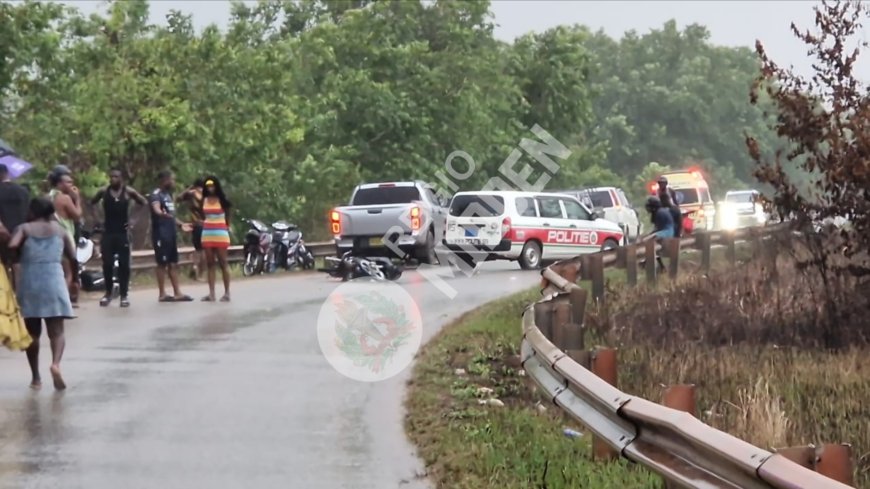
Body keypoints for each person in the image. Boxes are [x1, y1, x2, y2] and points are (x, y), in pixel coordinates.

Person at [9, 197, 77, 390]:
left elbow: (12, 245)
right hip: (54, 280)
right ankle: (55, 364)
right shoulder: (60, 230)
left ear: (33, 211)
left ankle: (36, 378)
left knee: (33, 333)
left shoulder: (24, 229)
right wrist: (75, 279)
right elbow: (73, 257)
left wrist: (17, 258)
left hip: (30, 281)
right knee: (57, 331)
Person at [90, 168, 148, 307]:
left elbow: (143, 202)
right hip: (108, 232)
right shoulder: (104, 191)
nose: (113, 179)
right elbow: (92, 203)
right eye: (111, 177)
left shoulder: (128, 192)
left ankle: (124, 295)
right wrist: (98, 219)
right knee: (107, 263)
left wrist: (133, 220)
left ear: (121, 179)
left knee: (124, 265)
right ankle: (108, 293)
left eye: (116, 177)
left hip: (123, 232)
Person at [149, 170, 194, 303]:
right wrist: (160, 213)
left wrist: (181, 225)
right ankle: (162, 293)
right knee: (162, 263)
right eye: (172, 179)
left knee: (173, 263)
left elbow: (171, 216)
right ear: (165, 180)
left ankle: (177, 292)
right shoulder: (156, 194)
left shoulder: (168, 196)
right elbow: (156, 208)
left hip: (171, 233)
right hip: (161, 233)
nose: (174, 182)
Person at [199, 176, 233, 302]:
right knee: (210, 264)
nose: (210, 188)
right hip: (207, 233)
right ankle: (211, 293)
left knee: (223, 262)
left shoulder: (222, 200)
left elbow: (228, 213)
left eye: (212, 186)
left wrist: (227, 225)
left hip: (220, 233)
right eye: (208, 186)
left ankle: (227, 292)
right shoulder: (204, 200)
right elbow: (202, 214)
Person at [0, 163, 30, 287]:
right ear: (7, 174)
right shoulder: (23, 191)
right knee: (18, 265)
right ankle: (19, 292)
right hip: (21, 235)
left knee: (3, 267)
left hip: (2, 235)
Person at [178, 178, 205, 281]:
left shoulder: (191, 194)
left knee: (198, 249)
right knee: (204, 250)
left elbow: (178, 198)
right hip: (205, 224)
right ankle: (200, 274)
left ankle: (194, 266)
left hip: (195, 225)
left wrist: (189, 188)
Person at [642, 195, 674, 271]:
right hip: (666, 231)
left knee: (647, 241)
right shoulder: (661, 211)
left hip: (666, 232)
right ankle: (660, 266)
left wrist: (650, 235)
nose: (648, 208)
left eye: (649, 206)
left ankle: (647, 262)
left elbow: (659, 228)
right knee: (651, 242)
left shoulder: (660, 213)